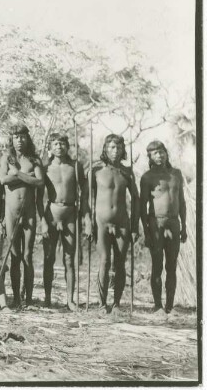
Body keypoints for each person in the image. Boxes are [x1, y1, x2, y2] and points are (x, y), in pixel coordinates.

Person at [90, 134, 139, 316]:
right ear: (105, 149)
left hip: (122, 223)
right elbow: (87, 200)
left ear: (123, 150)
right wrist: (88, 223)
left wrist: (135, 226)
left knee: (120, 263)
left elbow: (136, 200)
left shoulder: (127, 172)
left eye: (118, 148)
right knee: (104, 261)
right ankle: (102, 304)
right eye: (111, 147)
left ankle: (117, 303)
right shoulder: (95, 170)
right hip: (101, 222)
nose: (115, 151)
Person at [40, 133, 88, 311]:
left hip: (70, 213)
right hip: (51, 212)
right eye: (55, 144)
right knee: (49, 257)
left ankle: (70, 299)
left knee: (69, 259)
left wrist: (84, 214)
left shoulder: (76, 166)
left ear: (67, 146)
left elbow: (85, 191)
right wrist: (43, 221)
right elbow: (39, 197)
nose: (59, 146)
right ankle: (46, 298)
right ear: (50, 148)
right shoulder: (45, 168)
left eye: (62, 143)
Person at [0, 124, 44, 308]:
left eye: (23, 136)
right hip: (11, 212)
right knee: (15, 255)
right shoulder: (6, 158)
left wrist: (16, 173)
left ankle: (29, 298)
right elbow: (3, 180)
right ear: (12, 139)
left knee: (27, 255)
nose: (19, 140)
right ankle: (16, 297)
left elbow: (39, 182)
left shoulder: (34, 159)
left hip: (29, 213)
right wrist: (26, 176)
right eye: (16, 137)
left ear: (28, 138)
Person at [139, 140, 187, 315]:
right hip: (156, 223)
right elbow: (142, 206)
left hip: (174, 222)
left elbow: (181, 202)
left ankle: (170, 306)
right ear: (150, 157)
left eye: (161, 152)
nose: (159, 155)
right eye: (154, 153)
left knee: (172, 266)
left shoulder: (177, 174)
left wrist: (184, 226)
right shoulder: (147, 177)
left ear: (166, 153)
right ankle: (158, 305)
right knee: (157, 265)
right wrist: (146, 231)